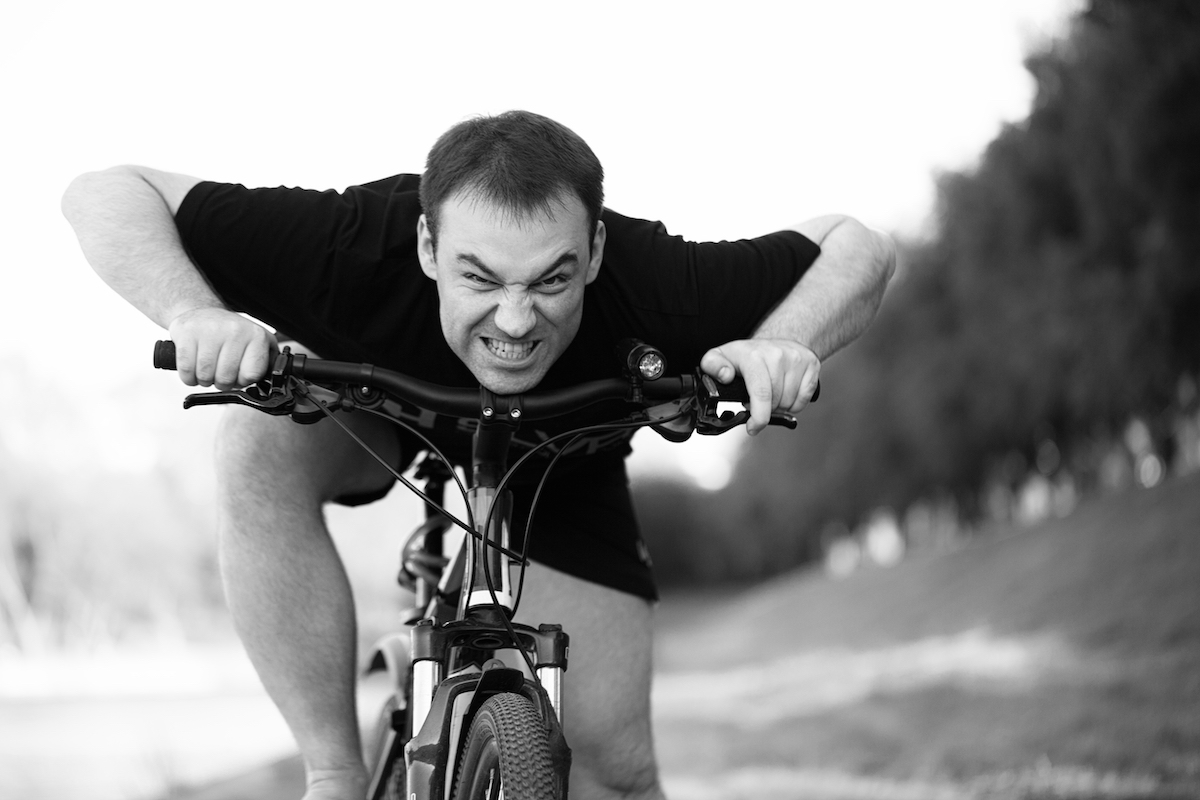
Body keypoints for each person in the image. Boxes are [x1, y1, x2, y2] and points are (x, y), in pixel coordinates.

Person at [62, 110, 895, 800]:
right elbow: (105, 192)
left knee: (619, 774)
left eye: (551, 280)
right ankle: (333, 774)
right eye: (479, 278)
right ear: (427, 247)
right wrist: (194, 312)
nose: (516, 319)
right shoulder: (347, 245)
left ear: (596, 253)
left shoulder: (656, 278)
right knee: (251, 438)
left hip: (564, 456)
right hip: (374, 417)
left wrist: (782, 344)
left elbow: (858, 246)